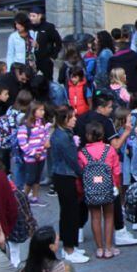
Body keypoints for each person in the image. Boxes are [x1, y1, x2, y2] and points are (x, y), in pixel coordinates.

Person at [48, 106, 88, 264]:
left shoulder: (61, 133)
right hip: (65, 176)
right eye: (72, 117)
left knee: (68, 212)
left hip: (62, 175)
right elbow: (72, 160)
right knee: (70, 213)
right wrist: (82, 174)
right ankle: (69, 249)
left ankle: (70, 246)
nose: (75, 119)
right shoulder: (63, 137)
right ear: (64, 119)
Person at [78, 122, 121, 260]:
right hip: (108, 188)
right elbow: (116, 171)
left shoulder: (82, 153)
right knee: (109, 216)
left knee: (95, 217)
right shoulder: (110, 150)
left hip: (91, 190)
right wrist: (116, 186)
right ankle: (108, 248)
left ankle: (99, 248)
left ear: (87, 135)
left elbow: (80, 172)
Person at [16, 100, 52, 206]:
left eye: (43, 110)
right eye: (40, 110)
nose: (43, 112)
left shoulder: (42, 123)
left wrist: (46, 143)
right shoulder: (25, 125)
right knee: (30, 179)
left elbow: (45, 136)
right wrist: (33, 153)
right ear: (33, 111)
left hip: (41, 156)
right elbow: (22, 143)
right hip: (31, 158)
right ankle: (23, 200)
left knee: (37, 178)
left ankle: (35, 197)